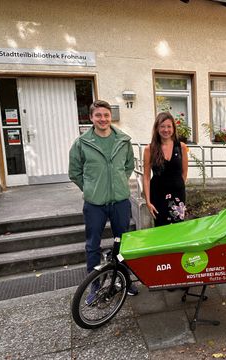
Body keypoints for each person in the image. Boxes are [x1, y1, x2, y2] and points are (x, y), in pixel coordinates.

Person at [69, 99, 138, 303]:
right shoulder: (82, 143)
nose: (103, 119)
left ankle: (124, 281)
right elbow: (74, 172)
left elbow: (128, 166)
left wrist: (118, 184)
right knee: (92, 246)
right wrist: (90, 188)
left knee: (123, 244)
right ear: (91, 118)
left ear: (110, 117)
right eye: (98, 115)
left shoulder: (123, 140)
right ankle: (95, 286)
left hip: (120, 202)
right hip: (95, 204)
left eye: (106, 115)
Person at [143, 112, 188, 227]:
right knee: (161, 228)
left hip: (178, 195)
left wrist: (177, 186)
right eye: (162, 126)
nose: (166, 130)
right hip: (158, 195)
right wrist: (148, 201)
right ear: (157, 128)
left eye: (169, 126)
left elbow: (184, 173)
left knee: (178, 228)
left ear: (173, 128)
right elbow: (147, 177)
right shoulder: (150, 149)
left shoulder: (181, 146)